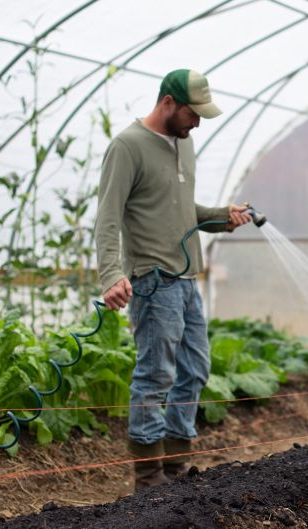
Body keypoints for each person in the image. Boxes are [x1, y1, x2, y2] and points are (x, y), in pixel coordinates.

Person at [94, 68, 251, 490]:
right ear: (168, 103)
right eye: (192, 113)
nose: (197, 122)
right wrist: (111, 274)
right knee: (155, 374)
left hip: (186, 281)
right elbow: (108, 217)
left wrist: (223, 217)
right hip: (153, 280)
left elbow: (182, 212)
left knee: (195, 368)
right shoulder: (128, 147)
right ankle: (148, 478)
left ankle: (176, 469)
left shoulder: (185, 144)